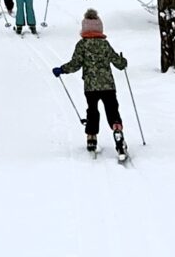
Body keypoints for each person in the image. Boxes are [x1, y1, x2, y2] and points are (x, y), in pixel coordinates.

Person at [53, 9, 131, 156]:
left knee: (92, 111)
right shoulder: (104, 44)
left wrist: (61, 70)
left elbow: (75, 64)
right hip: (108, 85)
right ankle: (117, 130)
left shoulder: (82, 45)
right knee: (112, 109)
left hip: (90, 87)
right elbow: (117, 62)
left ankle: (91, 137)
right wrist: (123, 62)